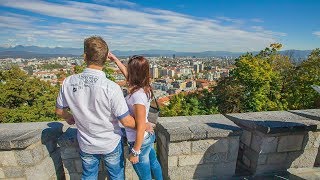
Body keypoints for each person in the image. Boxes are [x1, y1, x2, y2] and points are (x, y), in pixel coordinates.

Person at [55, 36, 151, 180]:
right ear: (106, 58)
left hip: (86, 143)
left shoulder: (68, 82)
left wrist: (70, 117)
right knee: (116, 176)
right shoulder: (111, 88)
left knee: (88, 175)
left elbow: (59, 111)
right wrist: (142, 125)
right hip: (110, 142)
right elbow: (126, 122)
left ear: (85, 56)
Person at [108, 52, 163, 180]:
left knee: (145, 176)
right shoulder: (144, 87)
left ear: (134, 73)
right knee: (154, 164)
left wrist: (135, 152)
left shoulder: (137, 96)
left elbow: (140, 126)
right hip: (147, 137)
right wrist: (115, 60)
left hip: (139, 140)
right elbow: (126, 74)